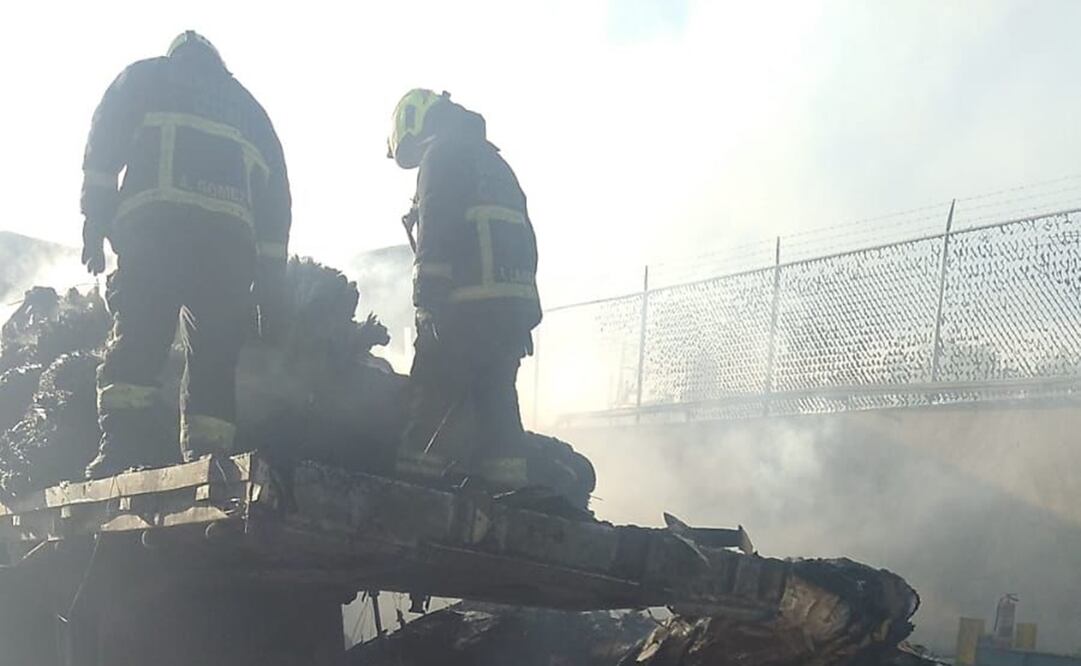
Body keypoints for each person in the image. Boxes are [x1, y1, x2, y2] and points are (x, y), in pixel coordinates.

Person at [79, 31, 291, 478]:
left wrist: (94, 224)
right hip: (226, 255)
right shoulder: (251, 110)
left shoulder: (145, 78)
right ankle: (205, 459)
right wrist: (271, 291)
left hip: (156, 238)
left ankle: (120, 452)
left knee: (139, 339)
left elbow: (102, 151)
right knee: (214, 355)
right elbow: (277, 207)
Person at [387, 89, 541, 488]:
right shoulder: (494, 162)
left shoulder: (442, 155)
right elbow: (527, 236)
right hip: (511, 310)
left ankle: (414, 495)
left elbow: (438, 226)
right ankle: (509, 493)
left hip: (465, 307)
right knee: (498, 405)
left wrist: (427, 302)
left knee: (431, 401)